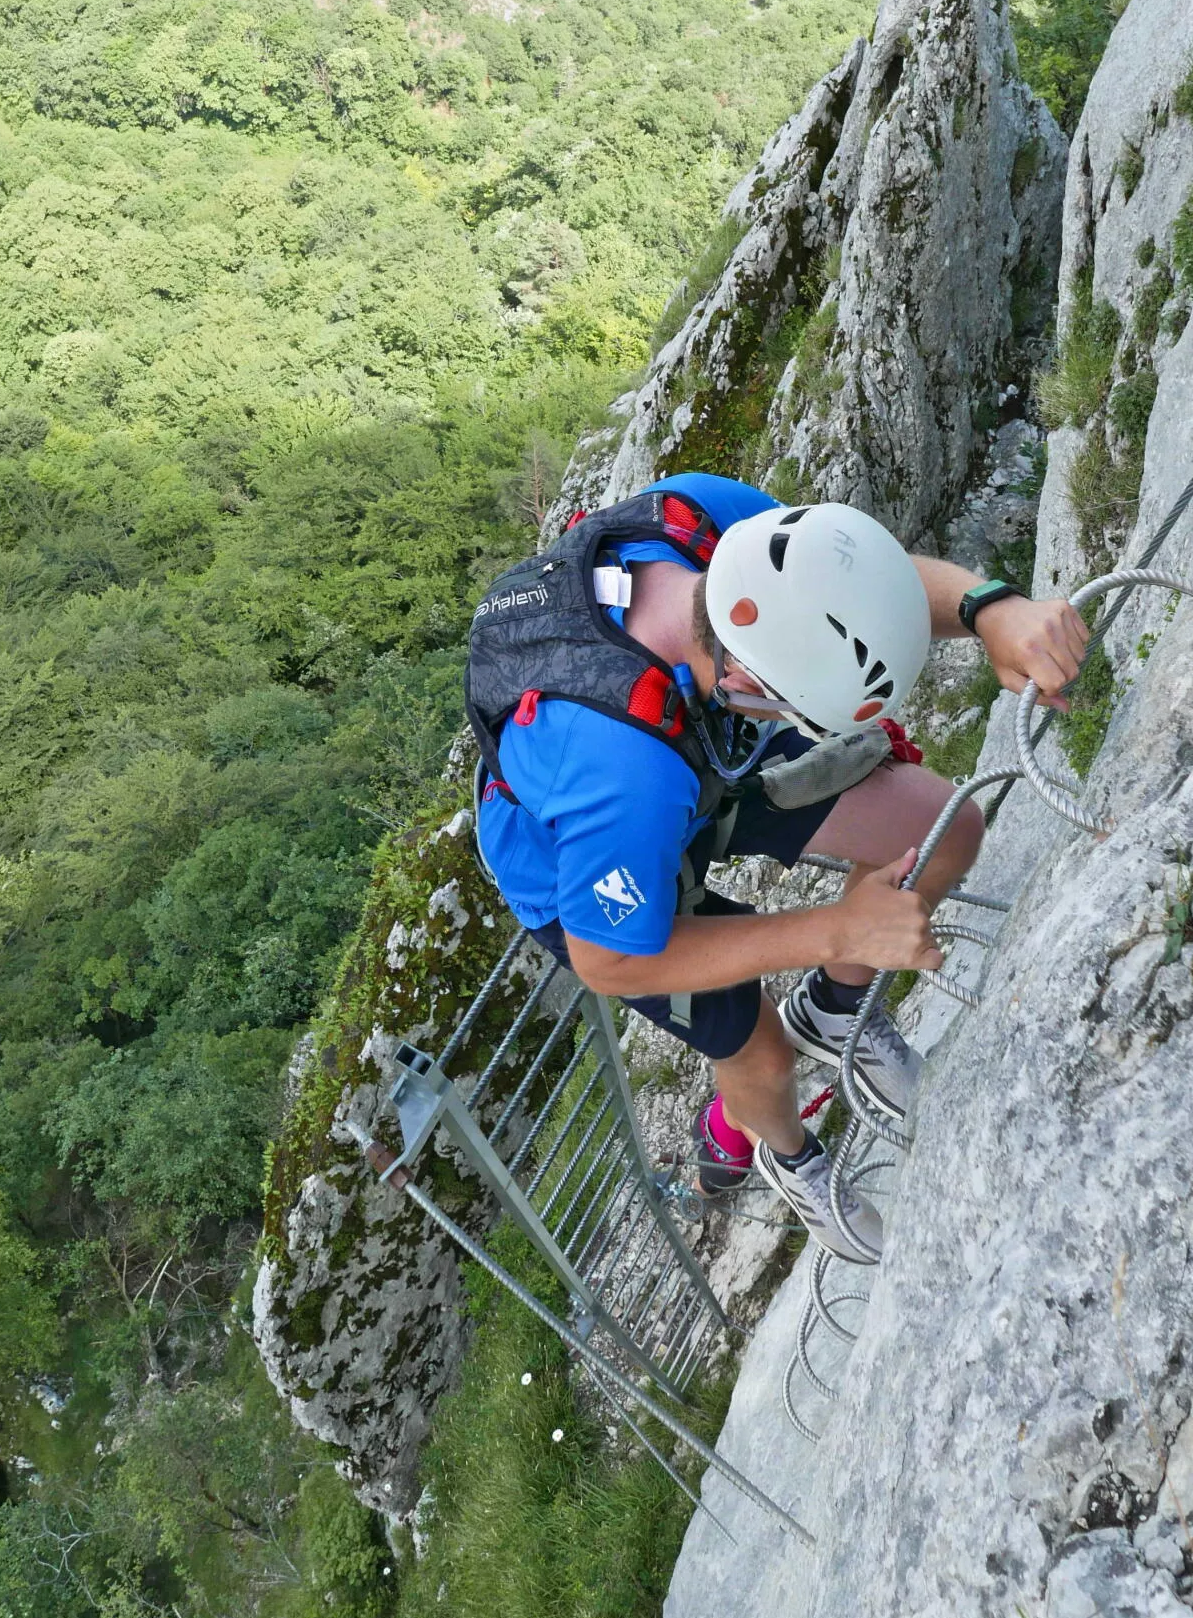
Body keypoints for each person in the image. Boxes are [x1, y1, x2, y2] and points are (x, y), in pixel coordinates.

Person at [465, 472, 1088, 1260]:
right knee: (758, 1047)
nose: (800, 729)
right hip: (585, 864)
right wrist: (834, 930)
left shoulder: (706, 528)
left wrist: (988, 607)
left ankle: (834, 1013)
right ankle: (790, 1157)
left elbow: (858, 586)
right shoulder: (619, 775)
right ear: (750, 679)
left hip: (697, 745)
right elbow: (609, 959)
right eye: (795, 711)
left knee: (943, 828)